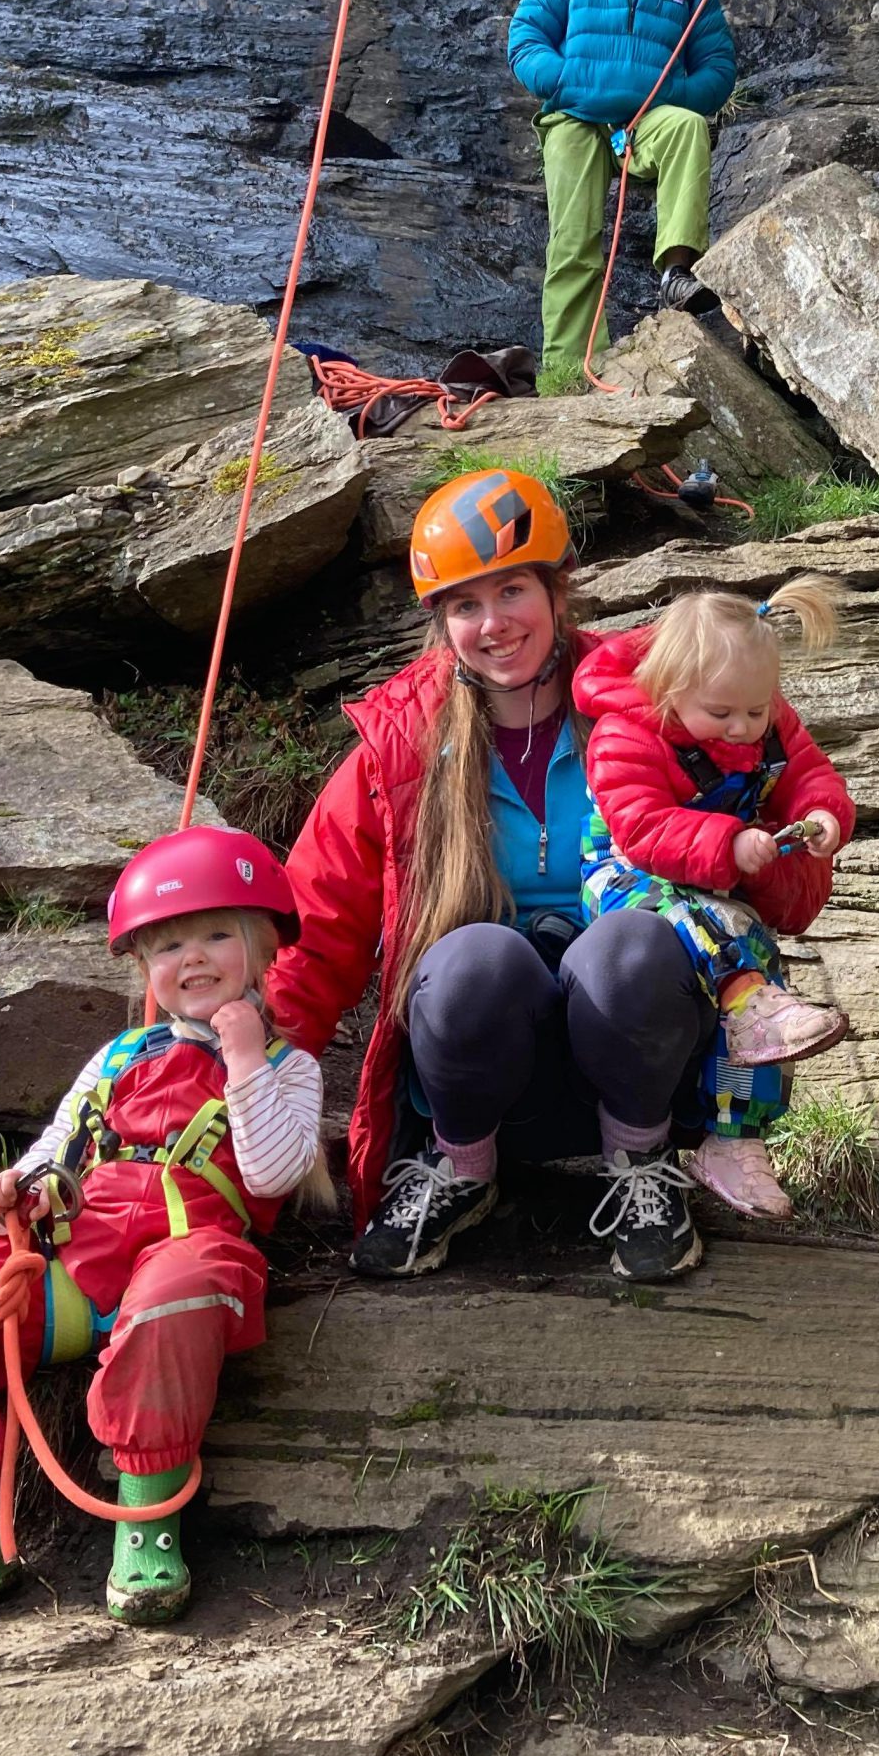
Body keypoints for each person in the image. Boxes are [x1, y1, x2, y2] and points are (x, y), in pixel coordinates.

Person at [270, 466, 729, 1287]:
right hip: (476, 1069)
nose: (493, 625)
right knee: (475, 961)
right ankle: (463, 1174)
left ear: (559, 589)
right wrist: (257, 1084)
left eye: (512, 590)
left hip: (637, 1055)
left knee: (629, 948)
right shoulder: (402, 743)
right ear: (441, 622)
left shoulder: (649, 704)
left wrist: (794, 852)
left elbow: (755, 816)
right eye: (464, 605)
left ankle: (644, 1170)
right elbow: (314, 932)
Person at [0, 829, 322, 1636]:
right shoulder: (117, 1058)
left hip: (188, 1243)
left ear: (260, 945)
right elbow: (58, 1144)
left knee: (176, 1301)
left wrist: (245, 1056)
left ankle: (145, 1523)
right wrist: (25, 1188)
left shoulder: (289, 1067)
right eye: (170, 945)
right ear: (145, 968)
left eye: (218, 935)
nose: (196, 957)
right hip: (74, 1253)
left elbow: (276, 1170)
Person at [575, 585, 855, 1219]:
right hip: (628, 882)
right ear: (670, 692)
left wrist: (822, 813)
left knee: (753, 963)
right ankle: (750, 1003)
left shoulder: (768, 723)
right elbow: (641, 828)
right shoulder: (624, 734)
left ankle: (733, 1137)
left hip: (713, 888)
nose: (743, 728)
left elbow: (810, 771)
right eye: (722, 712)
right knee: (727, 947)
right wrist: (729, 841)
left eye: (756, 712)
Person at [507, 0, 737, 388]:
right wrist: (563, 82)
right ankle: (569, 375)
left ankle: (676, 271)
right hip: (575, 118)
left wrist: (672, 93)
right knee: (573, 242)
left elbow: (719, 68)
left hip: (647, 119)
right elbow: (524, 35)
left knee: (686, 126)